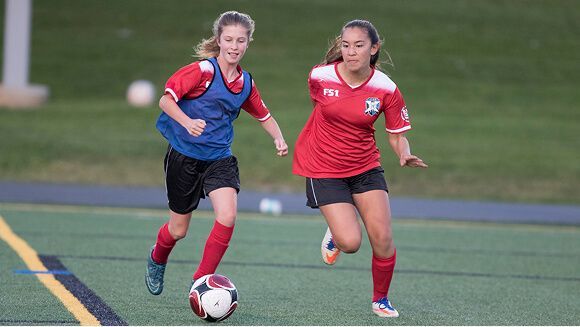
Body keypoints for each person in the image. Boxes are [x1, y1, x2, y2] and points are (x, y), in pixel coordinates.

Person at [146, 11, 288, 296]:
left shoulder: (245, 82)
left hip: (219, 159)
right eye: (229, 40)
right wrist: (187, 122)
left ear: (248, 43)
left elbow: (264, 115)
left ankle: (201, 280)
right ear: (219, 41)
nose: (234, 46)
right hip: (184, 157)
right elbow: (165, 100)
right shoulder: (202, 72)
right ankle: (157, 258)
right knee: (178, 230)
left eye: (240, 41)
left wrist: (279, 138)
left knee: (228, 215)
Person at [292, 19, 427, 318]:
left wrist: (404, 153)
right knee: (351, 242)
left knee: (382, 237)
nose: (351, 52)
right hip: (323, 166)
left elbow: (397, 135)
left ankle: (381, 299)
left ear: (374, 48)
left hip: (365, 167)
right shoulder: (319, 76)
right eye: (346, 45)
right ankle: (338, 233)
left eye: (359, 45)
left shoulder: (386, 89)